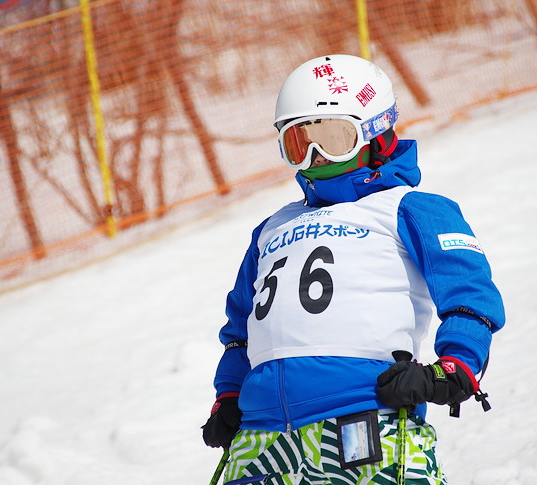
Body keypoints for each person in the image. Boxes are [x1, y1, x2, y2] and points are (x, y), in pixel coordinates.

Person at [202, 54, 505, 485]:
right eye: (298, 142)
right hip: (261, 435)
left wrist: (453, 369)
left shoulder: (409, 208)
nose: (316, 155)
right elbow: (239, 332)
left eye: (333, 138)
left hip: (364, 418)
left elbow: (471, 297)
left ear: (375, 133)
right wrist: (229, 395)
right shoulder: (271, 228)